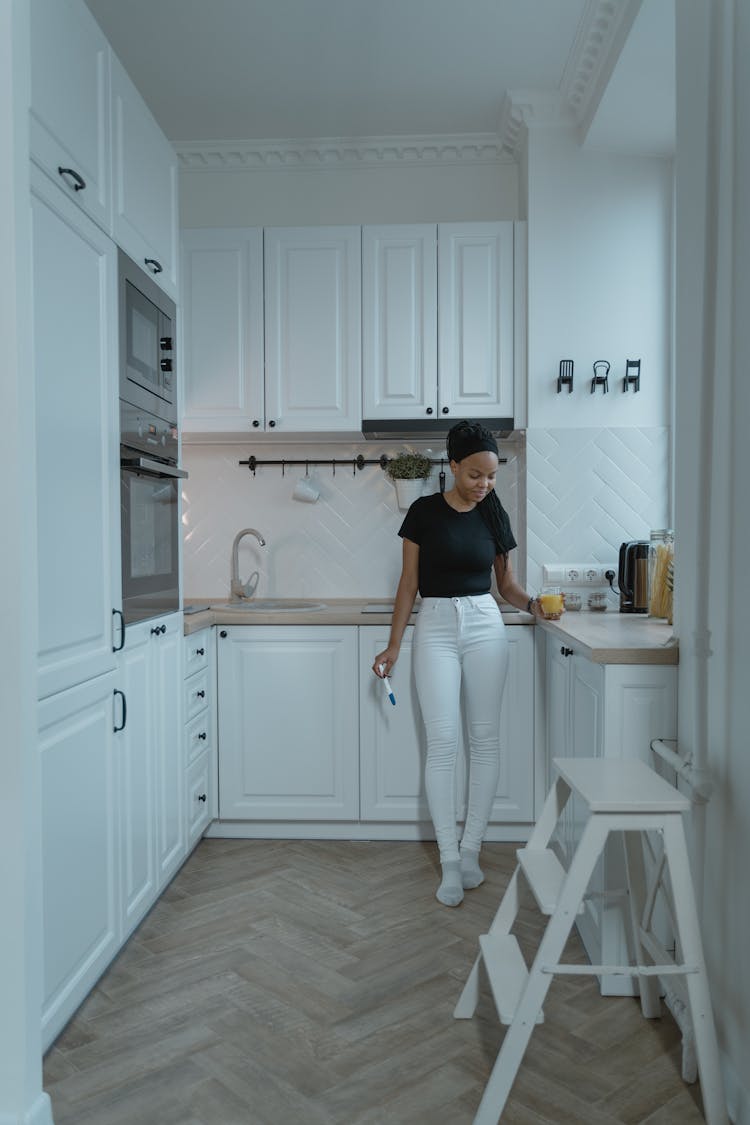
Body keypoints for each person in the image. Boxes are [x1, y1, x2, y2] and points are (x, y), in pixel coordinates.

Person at [373, 420, 540, 907]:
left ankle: (472, 852)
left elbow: (506, 587)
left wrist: (536, 605)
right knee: (443, 743)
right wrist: (393, 646)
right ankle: (449, 859)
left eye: (490, 476)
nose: (484, 485)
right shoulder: (423, 512)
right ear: (451, 467)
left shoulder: (494, 514)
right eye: (475, 475)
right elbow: (408, 584)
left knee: (483, 740)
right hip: (437, 625)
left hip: (486, 623)